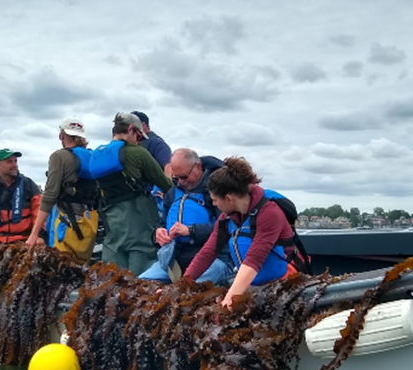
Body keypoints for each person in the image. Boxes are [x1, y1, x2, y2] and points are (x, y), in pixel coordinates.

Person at [184, 157, 301, 308]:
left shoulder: (269, 213)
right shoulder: (226, 218)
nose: (214, 204)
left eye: (214, 200)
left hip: (285, 282)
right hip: (253, 283)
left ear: (228, 198)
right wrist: (182, 284)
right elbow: (207, 253)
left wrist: (230, 298)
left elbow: (254, 259)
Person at [139, 148, 233, 284]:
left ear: (198, 167)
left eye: (184, 176)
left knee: (191, 290)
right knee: (141, 284)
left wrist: (190, 230)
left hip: (213, 259)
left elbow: (228, 227)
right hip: (173, 259)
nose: (181, 182)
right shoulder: (172, 194)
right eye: (176, 178)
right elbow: (162, 223)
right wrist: (157, 234)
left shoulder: (216, 192)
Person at [99, 112, 173, 275]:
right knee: (142, 262)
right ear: (131, 129)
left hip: (111, 217)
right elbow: (166, 184)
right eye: (139, 136)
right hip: (138, 217)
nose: (139, 141)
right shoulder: (138, 153)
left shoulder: (101, 155)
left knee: (114, 265)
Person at [25, 118, 99, 262]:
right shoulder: (91, 157)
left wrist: (35, 233)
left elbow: (50, 195)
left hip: (66, 223)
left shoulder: (59, 157)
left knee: (60, 269)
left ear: (62, 136)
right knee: (81, 270)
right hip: (89, 221)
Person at [131, 111, 172, 177]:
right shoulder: (129, 144)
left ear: (143, 125)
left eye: (131, 126)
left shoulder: (157, 143)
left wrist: (167, 186)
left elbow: (169, 167)